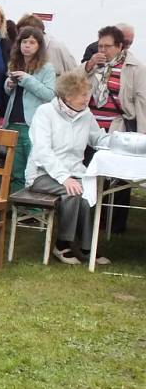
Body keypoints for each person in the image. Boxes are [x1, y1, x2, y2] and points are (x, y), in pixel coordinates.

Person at [26, 71, 110, 265]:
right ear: (67, 95)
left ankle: (87, 247)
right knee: (73, 192)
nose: (87, 98)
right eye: (82, 95)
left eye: (87, 94)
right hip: (42, 173)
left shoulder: (86, 114)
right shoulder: (45, 112)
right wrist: (64, 177)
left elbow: (97, 138)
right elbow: (42, 151)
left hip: (74, 171)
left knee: (88, 190)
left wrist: (118, 141)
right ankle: (62, 244)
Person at [83, 25, 146, 233]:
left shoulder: (135, 67)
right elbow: (72, 85)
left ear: (119, 46)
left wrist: (142, 135)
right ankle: (85, 219)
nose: (103, 50)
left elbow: (141, 101)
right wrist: (88, 65)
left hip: (116, 129)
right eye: (100, 46)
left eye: (107, 46)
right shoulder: (93, 64)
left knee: (117, 177)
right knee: (88, 172)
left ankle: (114, 224)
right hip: (89, 127)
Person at [3, 26, 56, 193]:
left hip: (31, 124)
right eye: (24, 42)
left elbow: (49, 94)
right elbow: (9, 93)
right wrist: (9, 84)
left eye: (32, 42)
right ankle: (15, 206)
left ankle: (31, 211)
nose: (27, 45)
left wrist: (27, 80)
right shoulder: (14, 63)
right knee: (14, 170)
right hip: (13, 121)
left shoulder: (47, 68)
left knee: (31, 170)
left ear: (39, 46)